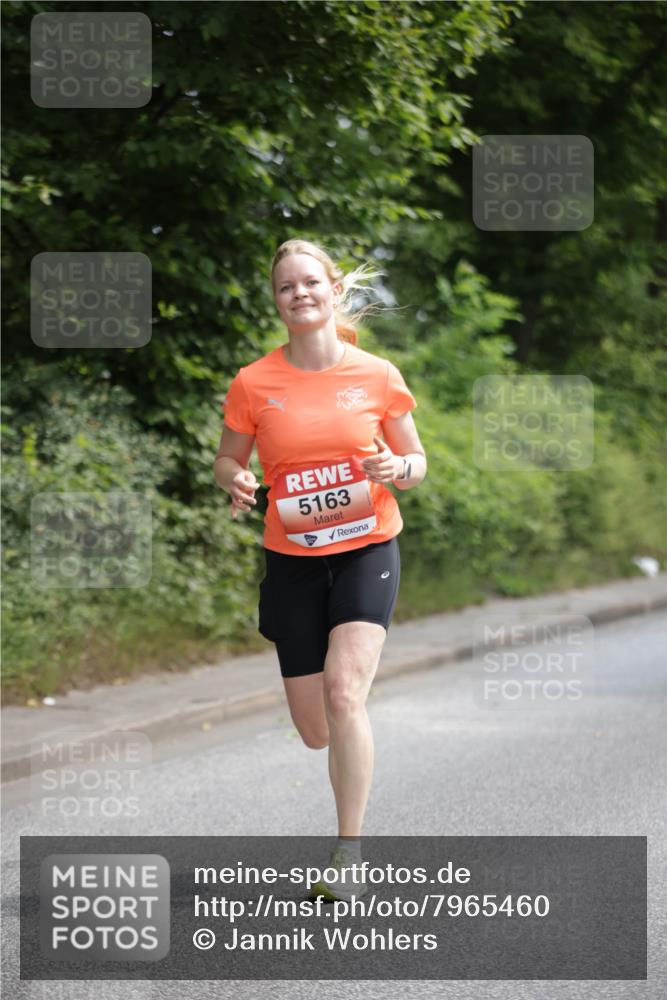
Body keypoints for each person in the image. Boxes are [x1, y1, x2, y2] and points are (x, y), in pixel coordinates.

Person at [213, 239, 427, 901]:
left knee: (344, 692)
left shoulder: (377, 374)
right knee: (314, 730)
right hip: (292, 559)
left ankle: (348, 855)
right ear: (276, 301)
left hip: (368, 547)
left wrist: (399, 469)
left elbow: (416, 462)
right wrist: (237, 479)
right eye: (286, 287)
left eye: (310, 282)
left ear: (333, 291)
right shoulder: (255, 381)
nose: (299, 294)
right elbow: (225, 460)